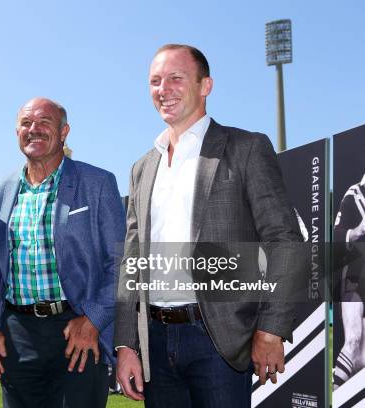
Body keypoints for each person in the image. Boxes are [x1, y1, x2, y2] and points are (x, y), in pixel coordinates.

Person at [114, 44, 304, 407]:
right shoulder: (143, 167)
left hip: (219, 340)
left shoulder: (246, 148)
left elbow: (284, 241)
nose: (163, 89)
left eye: (175, 78)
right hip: (154, 341)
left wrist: (271, 327)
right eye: (155, 81)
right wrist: (126, 344)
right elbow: (131, 261)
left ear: (205, 86)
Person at [0, 97, 125, 408]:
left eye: (45, 122)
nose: (34, 129)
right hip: (17, 333)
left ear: (64, 131)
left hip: (78, 329)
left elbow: (121, 263)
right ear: (16, 132)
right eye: (26, 123)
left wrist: (93, 321)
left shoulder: (97, 183)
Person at [333, 173, 365, 388]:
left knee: (362, 358)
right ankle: (332, 393)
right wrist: (358, 231)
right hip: (356, 273)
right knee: (353, 340)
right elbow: (334, 235)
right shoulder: (354, 195)